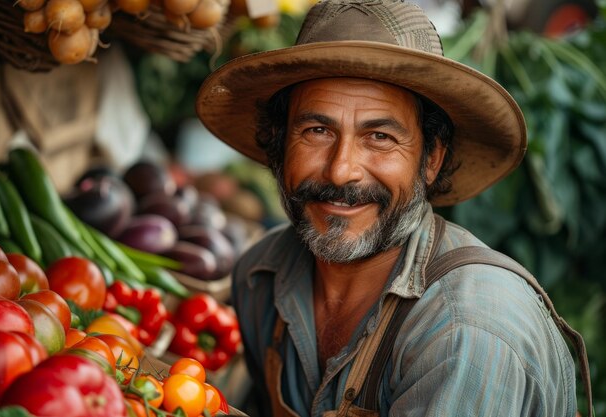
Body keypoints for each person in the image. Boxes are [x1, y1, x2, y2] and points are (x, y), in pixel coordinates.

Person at [195, 1, 592, 416]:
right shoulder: (261, 276)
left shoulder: (465, 334)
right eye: (317, 130)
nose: (341, 170)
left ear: (431, 159)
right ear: (279, 144)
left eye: (380, 137)